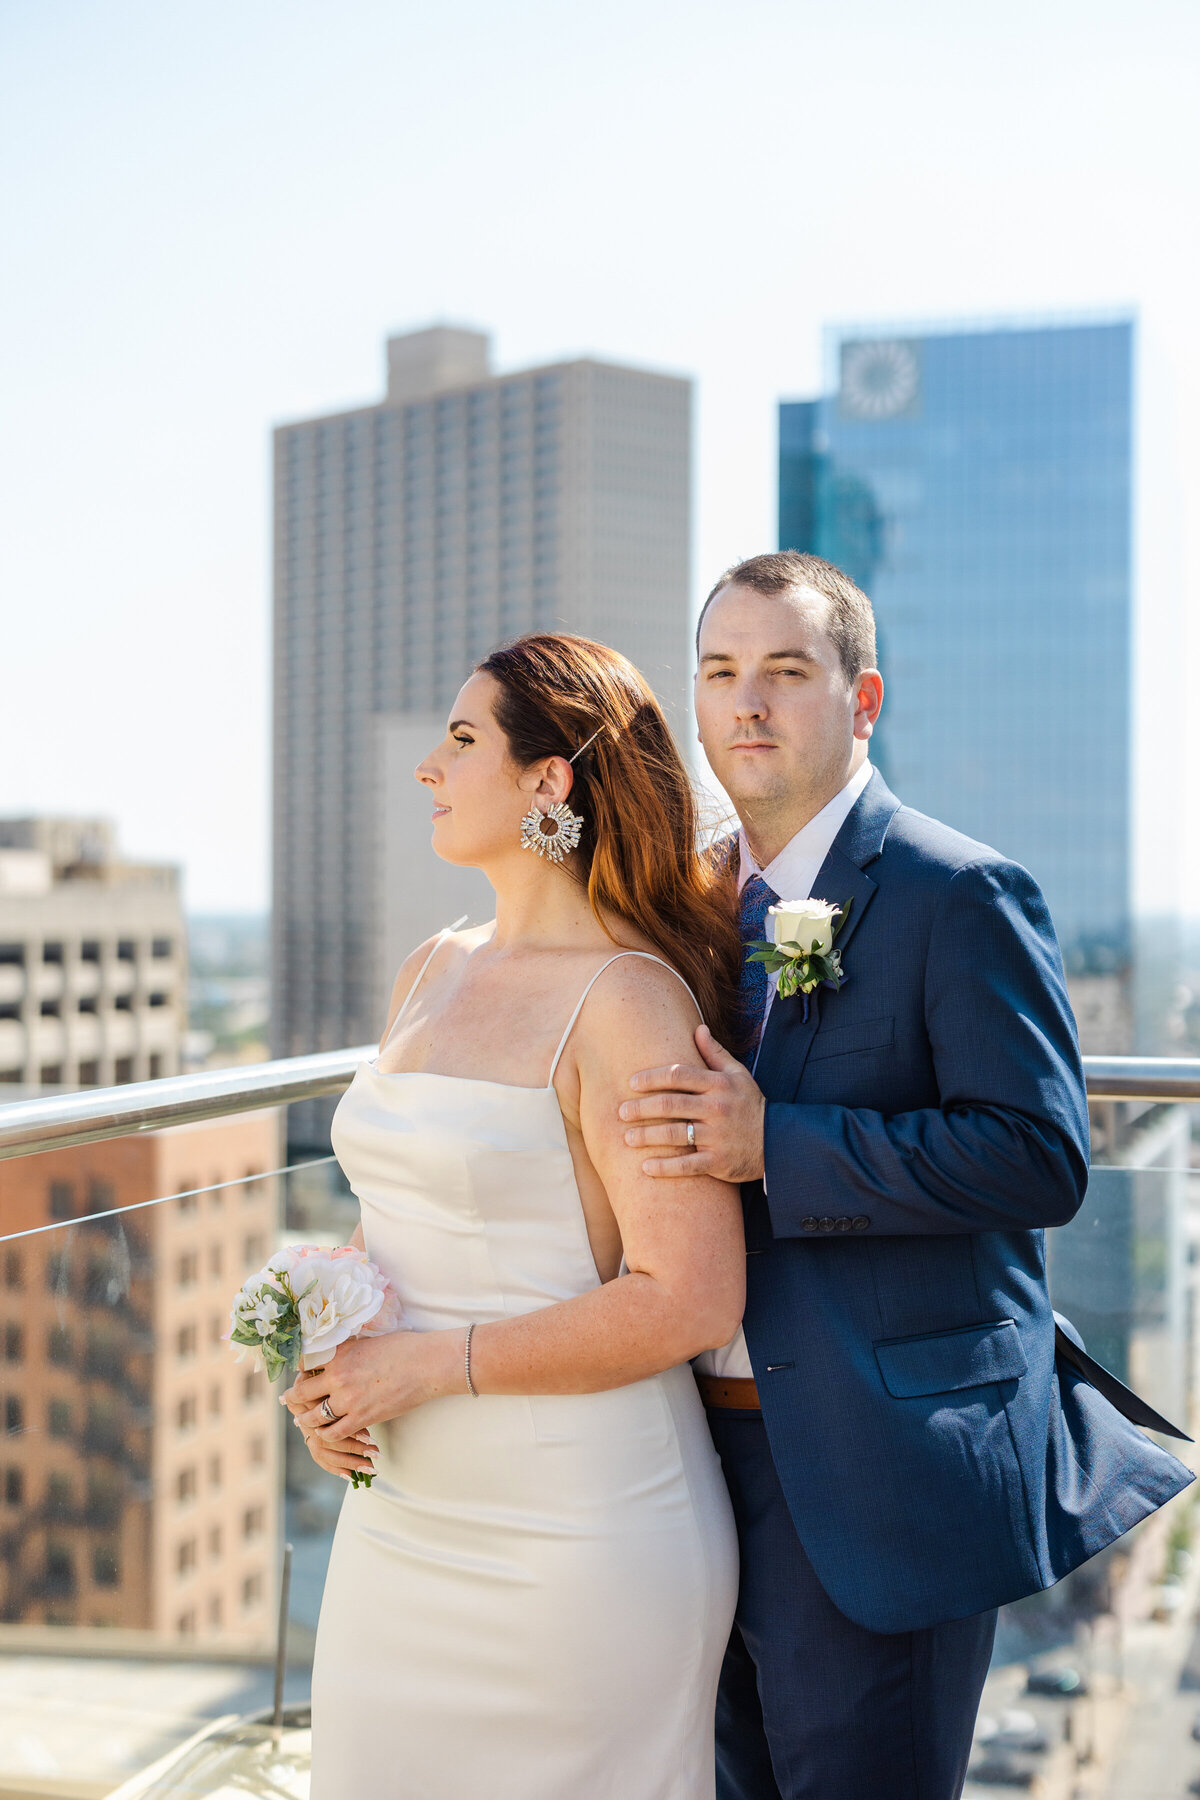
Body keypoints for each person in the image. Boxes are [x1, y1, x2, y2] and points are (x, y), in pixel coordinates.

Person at [618, 551, 1194, 1800]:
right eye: (719, 673)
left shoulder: (959, 893)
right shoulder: (690, 911)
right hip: (687, 1468)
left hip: (882, 1474)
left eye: (785, 671)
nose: (746, 705)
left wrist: (779, 1144)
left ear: (863, 700)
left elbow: (1038, 1155)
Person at [282, 633, 744, 1800]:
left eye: (462, 739)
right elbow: (393, 1218)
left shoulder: (631, 1002)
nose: (429, 768)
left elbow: (689, 1295)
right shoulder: (432, 964)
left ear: (552, 781)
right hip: (402, 1522)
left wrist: (425, 1368)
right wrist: (322, 1356)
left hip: (578, 1544)